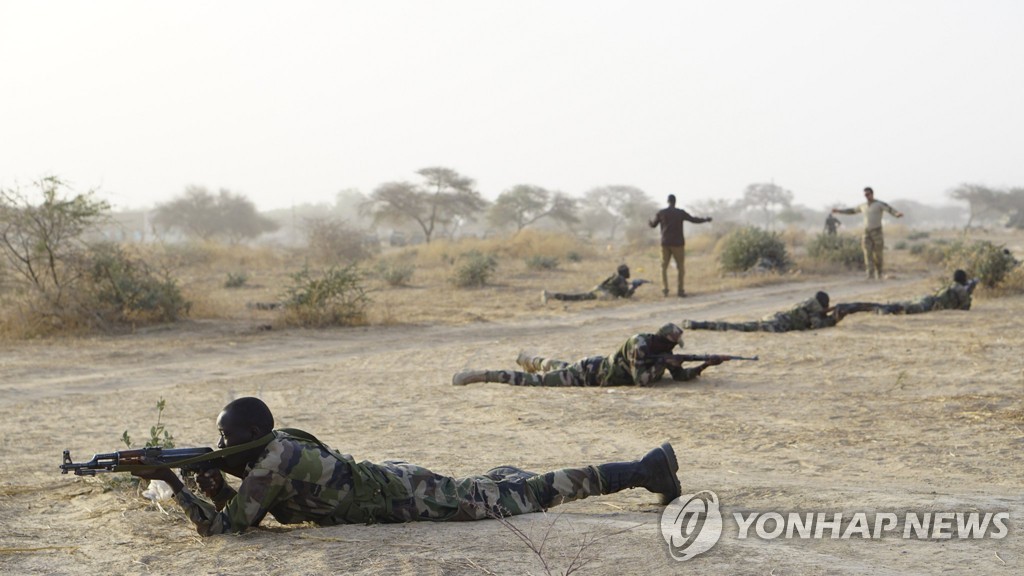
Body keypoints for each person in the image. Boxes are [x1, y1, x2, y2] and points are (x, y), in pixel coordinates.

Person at [131, 398, 682, 536]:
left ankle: (643, 469)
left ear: (251, 437)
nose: (219, 443)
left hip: (404, 495)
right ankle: (501, 478)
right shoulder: (271, 448)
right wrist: (214, 481)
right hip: (390, 482)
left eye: (227, 439)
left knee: (529, 496)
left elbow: (227, 530)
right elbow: (252, 508)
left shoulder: (275, 459)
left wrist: (175, 485)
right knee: (490, 487)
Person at [451, 323, 724, 387]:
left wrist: (703, 366)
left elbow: (681, 376)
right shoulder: (639, 344)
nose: (674, 352)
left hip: (592, 366)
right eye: (671, 348)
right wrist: (664, 365)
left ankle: (530, 359)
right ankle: (484, 375)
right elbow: (641, 379)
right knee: (540, 382)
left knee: (554, 366)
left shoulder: (664, 352)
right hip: (591, 374)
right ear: (664, 341)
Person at [831, 187, 903, 280]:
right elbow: (852, 210)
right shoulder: (863, 206)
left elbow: (890, 209)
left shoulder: (879, 204)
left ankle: (879, 273)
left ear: (872, 194)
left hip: (877, 231)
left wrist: (896, 214)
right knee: (867, 253)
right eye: (865, 195)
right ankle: (870, 274)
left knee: (878, 254)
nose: (867, 196)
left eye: (868, 194)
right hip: (866, 232)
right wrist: (839, 211)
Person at [648, 195, 712, 297]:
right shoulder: (680, 213)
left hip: (665, 243)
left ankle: (665, 289)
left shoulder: (661, 213)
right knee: (680, 267)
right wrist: (705, 219)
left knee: (663, 267)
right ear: (675, 202)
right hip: (678, 243)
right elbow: (693, 220)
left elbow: (653, 225)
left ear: (667, 201)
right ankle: (680, 290)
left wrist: (649, 222)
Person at [684, 291, 843, 333]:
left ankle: (699, 324)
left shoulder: (807, 304)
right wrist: (834, 318)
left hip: (775, 318)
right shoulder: (814, 310)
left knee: (742, 325)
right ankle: (700, 324)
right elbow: (818, 325)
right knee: (739, 327)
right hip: (776, 325)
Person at [877, 269, 978, 315]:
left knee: (906, 303)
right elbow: (965, 308)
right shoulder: (961, 290)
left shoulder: (952, 285)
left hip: (930, 299)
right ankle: (887, 309)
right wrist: (969, 291)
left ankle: (884, 307)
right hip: (933, 303)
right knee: (911, 309)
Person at [542, 264, 647, 304]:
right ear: (625, 272)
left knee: (577, 296)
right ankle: (551, 295)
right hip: (603, 294)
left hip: (600, 290)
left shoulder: (616, 277)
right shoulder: (621, 280)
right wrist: (634, 287)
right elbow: (626, 296)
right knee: (576, 297)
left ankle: (552, 295)